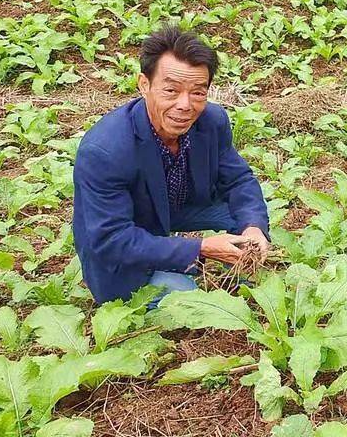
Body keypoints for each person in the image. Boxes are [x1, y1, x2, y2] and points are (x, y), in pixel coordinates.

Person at [73, 24, 270, 305]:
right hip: (125, 238)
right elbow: (112, 240)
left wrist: (252, 228)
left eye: (198, 92)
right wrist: (200, 248)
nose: (185, 105)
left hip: (174, 209)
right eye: (171, 90)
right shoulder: (105, 150)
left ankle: (240, 269)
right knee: (186, 296)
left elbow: (238, 181)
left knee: (252, 214)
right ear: (144, 85)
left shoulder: (212, 122)